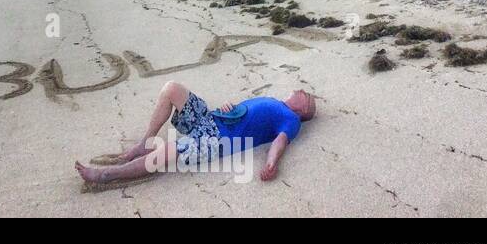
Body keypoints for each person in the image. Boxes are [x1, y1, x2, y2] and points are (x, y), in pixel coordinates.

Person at [75, 81, 315, 185]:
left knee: (168, 151)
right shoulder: (277, 103)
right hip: (210, 118)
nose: (300, 89)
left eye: (305, 94)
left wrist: (272, 162)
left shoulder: (292, 119)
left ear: (304, 108)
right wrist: (229, 107)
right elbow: (244, 111)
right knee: (172, 89)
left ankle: (107, 175)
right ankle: (145, 143)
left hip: (218, 141)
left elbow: (281, 141)